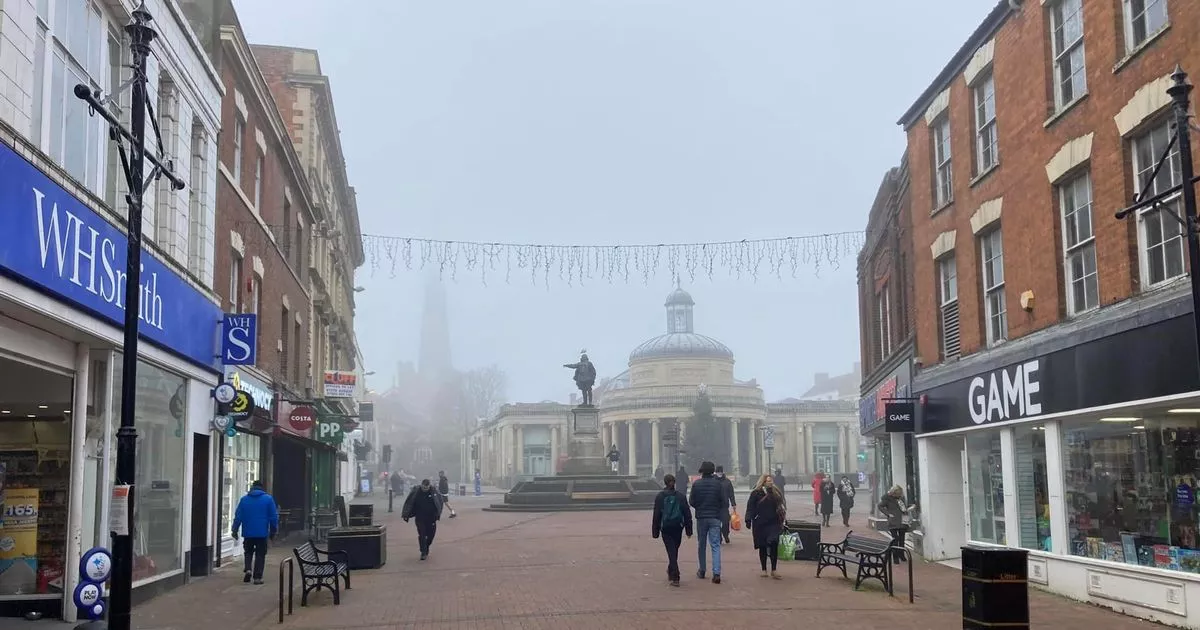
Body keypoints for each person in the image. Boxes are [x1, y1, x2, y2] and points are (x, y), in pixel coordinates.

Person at [230, 480, 278, 585]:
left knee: (248, 552)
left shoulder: (244, 500)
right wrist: (273, 531)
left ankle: (248, 569)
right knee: (260, 554)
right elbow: (273, 517)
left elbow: (238, 517)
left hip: (248, 532)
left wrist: (234, 530)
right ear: (262, 488)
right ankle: (257, 577)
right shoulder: (268, 499)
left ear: (252, 487)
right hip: (262, 533)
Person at [651, 473, 693, 587]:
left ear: (664, 482)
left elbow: (656, 515)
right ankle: (672, 570)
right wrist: (689, 530)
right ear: (674, 482)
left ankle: (675, 575)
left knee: (671, 551)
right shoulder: (680, 496)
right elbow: (687, 513)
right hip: (678, 527)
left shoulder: (660, 497)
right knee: (674, 550)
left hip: (666, 528)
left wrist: (655, 531)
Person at [689, 461, 725, 584]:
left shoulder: (696, 484)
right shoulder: (718, 484)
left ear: (702, 471)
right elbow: (723, 501)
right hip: (715, 517)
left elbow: (692, 501)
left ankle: (702, 570)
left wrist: (700, 507)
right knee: (715, 545)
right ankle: (716, 573)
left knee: (702, 544)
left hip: (702, 517)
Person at [745, 473, 786, 579]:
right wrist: (748, 519)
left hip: (774, 522)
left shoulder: (776, 492)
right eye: (768, 481)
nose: (770, 482)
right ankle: (764, 569)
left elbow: (781, 505)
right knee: (762, 546)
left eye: (771, 480)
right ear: (763, 482)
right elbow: (750, 507)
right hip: (760, 523)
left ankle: (774, 569)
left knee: (773, 544)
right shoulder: (756, 493)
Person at [402, 478, 445, 560]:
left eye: (426, 488)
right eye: (423, 488)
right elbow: (408, 502)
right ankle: (423, 552)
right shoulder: (416, 491)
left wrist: (438, 513)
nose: (425, 489)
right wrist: (405, 514)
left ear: (429, 486)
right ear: (421, 485)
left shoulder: (434, 491)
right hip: (420, 517)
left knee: (431, 535)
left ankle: (427, 546)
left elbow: (440, 502)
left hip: (431, 518)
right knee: (422, 534)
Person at [878, 484, 912, 564]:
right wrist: (888, 514)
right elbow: (880, 506)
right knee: (895, 540)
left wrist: (910, 507)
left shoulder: (902, 498)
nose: (900, 494)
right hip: (893, 521)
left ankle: (902, 555)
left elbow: (904, 507)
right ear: (894, 492)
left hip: (903, 520)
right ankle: (895, 557)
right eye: (898, 493)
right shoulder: (887, 498)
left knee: (902, 539)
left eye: (900, 493)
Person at [715, 465, 736, 544]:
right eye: (718, 471)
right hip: (715, 506)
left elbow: (731, 493)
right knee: (716, 524)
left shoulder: (727, 481)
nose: (719, 473)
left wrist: (733, 503)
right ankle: (719, 537)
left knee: (725, 522)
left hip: (724, 506)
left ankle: (726, 534)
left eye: (720, 471)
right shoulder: (713, 481)